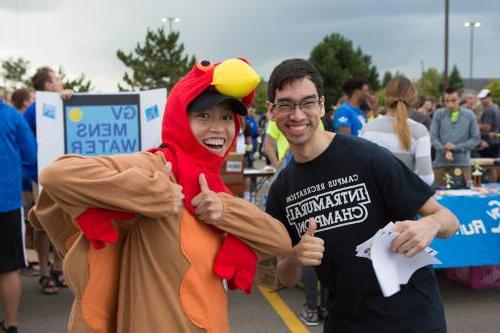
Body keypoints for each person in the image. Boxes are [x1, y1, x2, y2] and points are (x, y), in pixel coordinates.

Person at [30, 58, 291, 332]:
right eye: (204, 115)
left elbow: (280, 242)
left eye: (226, 117)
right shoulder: (156, 166)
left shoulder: (213, 188)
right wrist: (150, 193)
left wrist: (223, 211)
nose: (219, 127)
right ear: (180, 117)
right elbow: (56, 175)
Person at [264, 59, 459, 332]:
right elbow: (282, 275)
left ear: (321, 106)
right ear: (271, 111)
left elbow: (449, 220)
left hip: (411, 318)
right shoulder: (281, 190)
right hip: (344, 321)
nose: (297, 115)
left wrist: (429, 225)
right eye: (285, 104)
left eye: (307, 103)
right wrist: (296, 256)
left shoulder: (367, 157)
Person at [24, 66, 73, 295]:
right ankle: (44, 271)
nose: (60, 81)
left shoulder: (62, 102)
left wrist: (66, 100)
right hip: (39, 176)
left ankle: (58, 266)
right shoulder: (33, 111)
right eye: (56, 79)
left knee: (63, 219)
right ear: (47, 85)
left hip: (62, 174)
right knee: (42, 224)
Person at [0, 99, 37, 333]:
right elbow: (32, 155)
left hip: (8, 200)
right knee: (9, 267)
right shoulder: (12, 117)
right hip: (7, 202)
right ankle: (11, 325)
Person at [361, 76, 434, 185]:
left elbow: (362, 170)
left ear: (386, 98)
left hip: (375, 199)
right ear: (414, 99)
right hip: (407, 199)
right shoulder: (419, 131)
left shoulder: (368, 129)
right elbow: (426, 178)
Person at [430, 88, 480, 187]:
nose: (450, 104)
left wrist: (455, 147)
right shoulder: (438, 114)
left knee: (465, 199)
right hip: (440, 165)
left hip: (463, 165)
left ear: (459, 99)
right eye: (446, 101)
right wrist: (445, 151)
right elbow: (433, 137)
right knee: (439, 198)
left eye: (453, 100)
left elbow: (476, 139)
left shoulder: (469, 115)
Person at [477, 89, 500, 158]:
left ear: (490, 97)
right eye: (481, 98)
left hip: (487, 142)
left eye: (484, 98)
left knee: (484, 166)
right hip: (495, 141)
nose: (482, 100)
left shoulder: (488, 110)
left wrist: (475, 126)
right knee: (493, 165)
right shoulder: (495, 108)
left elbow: (487, 128)